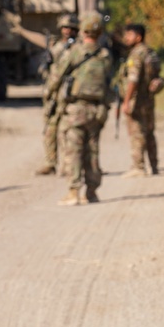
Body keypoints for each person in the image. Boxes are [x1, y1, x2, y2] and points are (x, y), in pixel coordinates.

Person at [45, 11, 113, 206]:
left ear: (83, 31)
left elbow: (57, 76)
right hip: (98, 110)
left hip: (76, 109)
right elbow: (109, 82)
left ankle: (73, 192)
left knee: (73, 151)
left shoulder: (75, 52)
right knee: (92, 151)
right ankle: (91, 192)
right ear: (100, 32)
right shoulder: (105, 55)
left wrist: (49, 94)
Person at [37, 13, 80, 176]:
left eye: (70, 28)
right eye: (64, 28)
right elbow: (48, 70)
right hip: (53, 93)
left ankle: (69, 165)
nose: (67, 31)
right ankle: (50, 162)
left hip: (69, 94)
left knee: (68, 131)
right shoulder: (55, 46)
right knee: (50, 128)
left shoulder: (79, 48)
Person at [118, 23, 164, 177]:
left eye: (129, 35)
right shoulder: (150, 52)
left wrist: (126, 100)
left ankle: (138, 167)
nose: (126, 38)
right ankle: (154, 165)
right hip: (148, 99)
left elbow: (133, 79)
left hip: (137, 100)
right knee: (150, 132)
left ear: (138, 37)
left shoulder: (137, 54)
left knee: (137, 132)